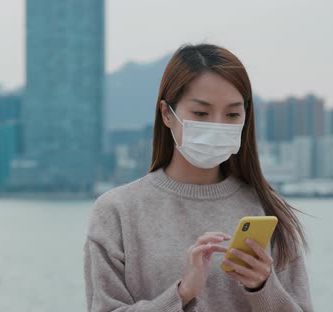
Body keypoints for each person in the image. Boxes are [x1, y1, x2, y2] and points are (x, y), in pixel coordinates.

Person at [83, 43, 313, 311]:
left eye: (232, 114)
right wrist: (181, 293)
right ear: (167, 113)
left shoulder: (267, 210)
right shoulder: (117, 212)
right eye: (201, 113)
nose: (217, 125)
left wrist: (262, 288)